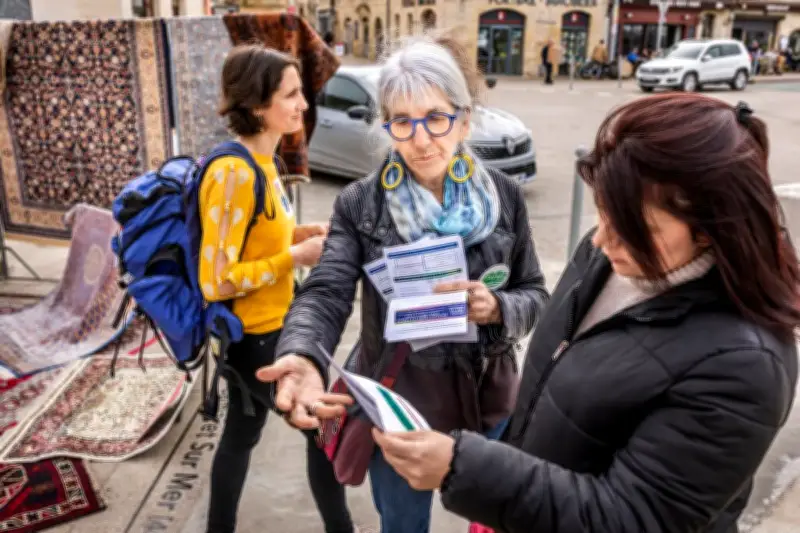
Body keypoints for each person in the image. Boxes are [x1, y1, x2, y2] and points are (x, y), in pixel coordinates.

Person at [363, 93, 800, 532]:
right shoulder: (609, 257)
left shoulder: (744, 364)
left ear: (711, 231)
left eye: (635, 229)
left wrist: (463, 468)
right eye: (603, 213)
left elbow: (630, 519)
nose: (601, 240)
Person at [257, 35, 549, 533]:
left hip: (488, 399)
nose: (421, 139)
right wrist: (303, 354)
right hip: (401, 402)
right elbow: (327, 291)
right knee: (403, 523)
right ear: (386, 125)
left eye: (436, 117)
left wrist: (498, 306)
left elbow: (536, 294)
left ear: (463, 120)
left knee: (493, 519)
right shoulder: (361, 203)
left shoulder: (504, 198)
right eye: (402, 121)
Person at [200, 45, 357, 533]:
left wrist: (300, 235)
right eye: (290, 95)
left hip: (272, 327)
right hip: (257, 336)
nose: (303, 105)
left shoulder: (264, 163)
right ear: (256, 104)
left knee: (241, 435)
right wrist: (295, 257)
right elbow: (217, 280)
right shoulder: (232, 174)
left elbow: (257, 237)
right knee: (324, 429)